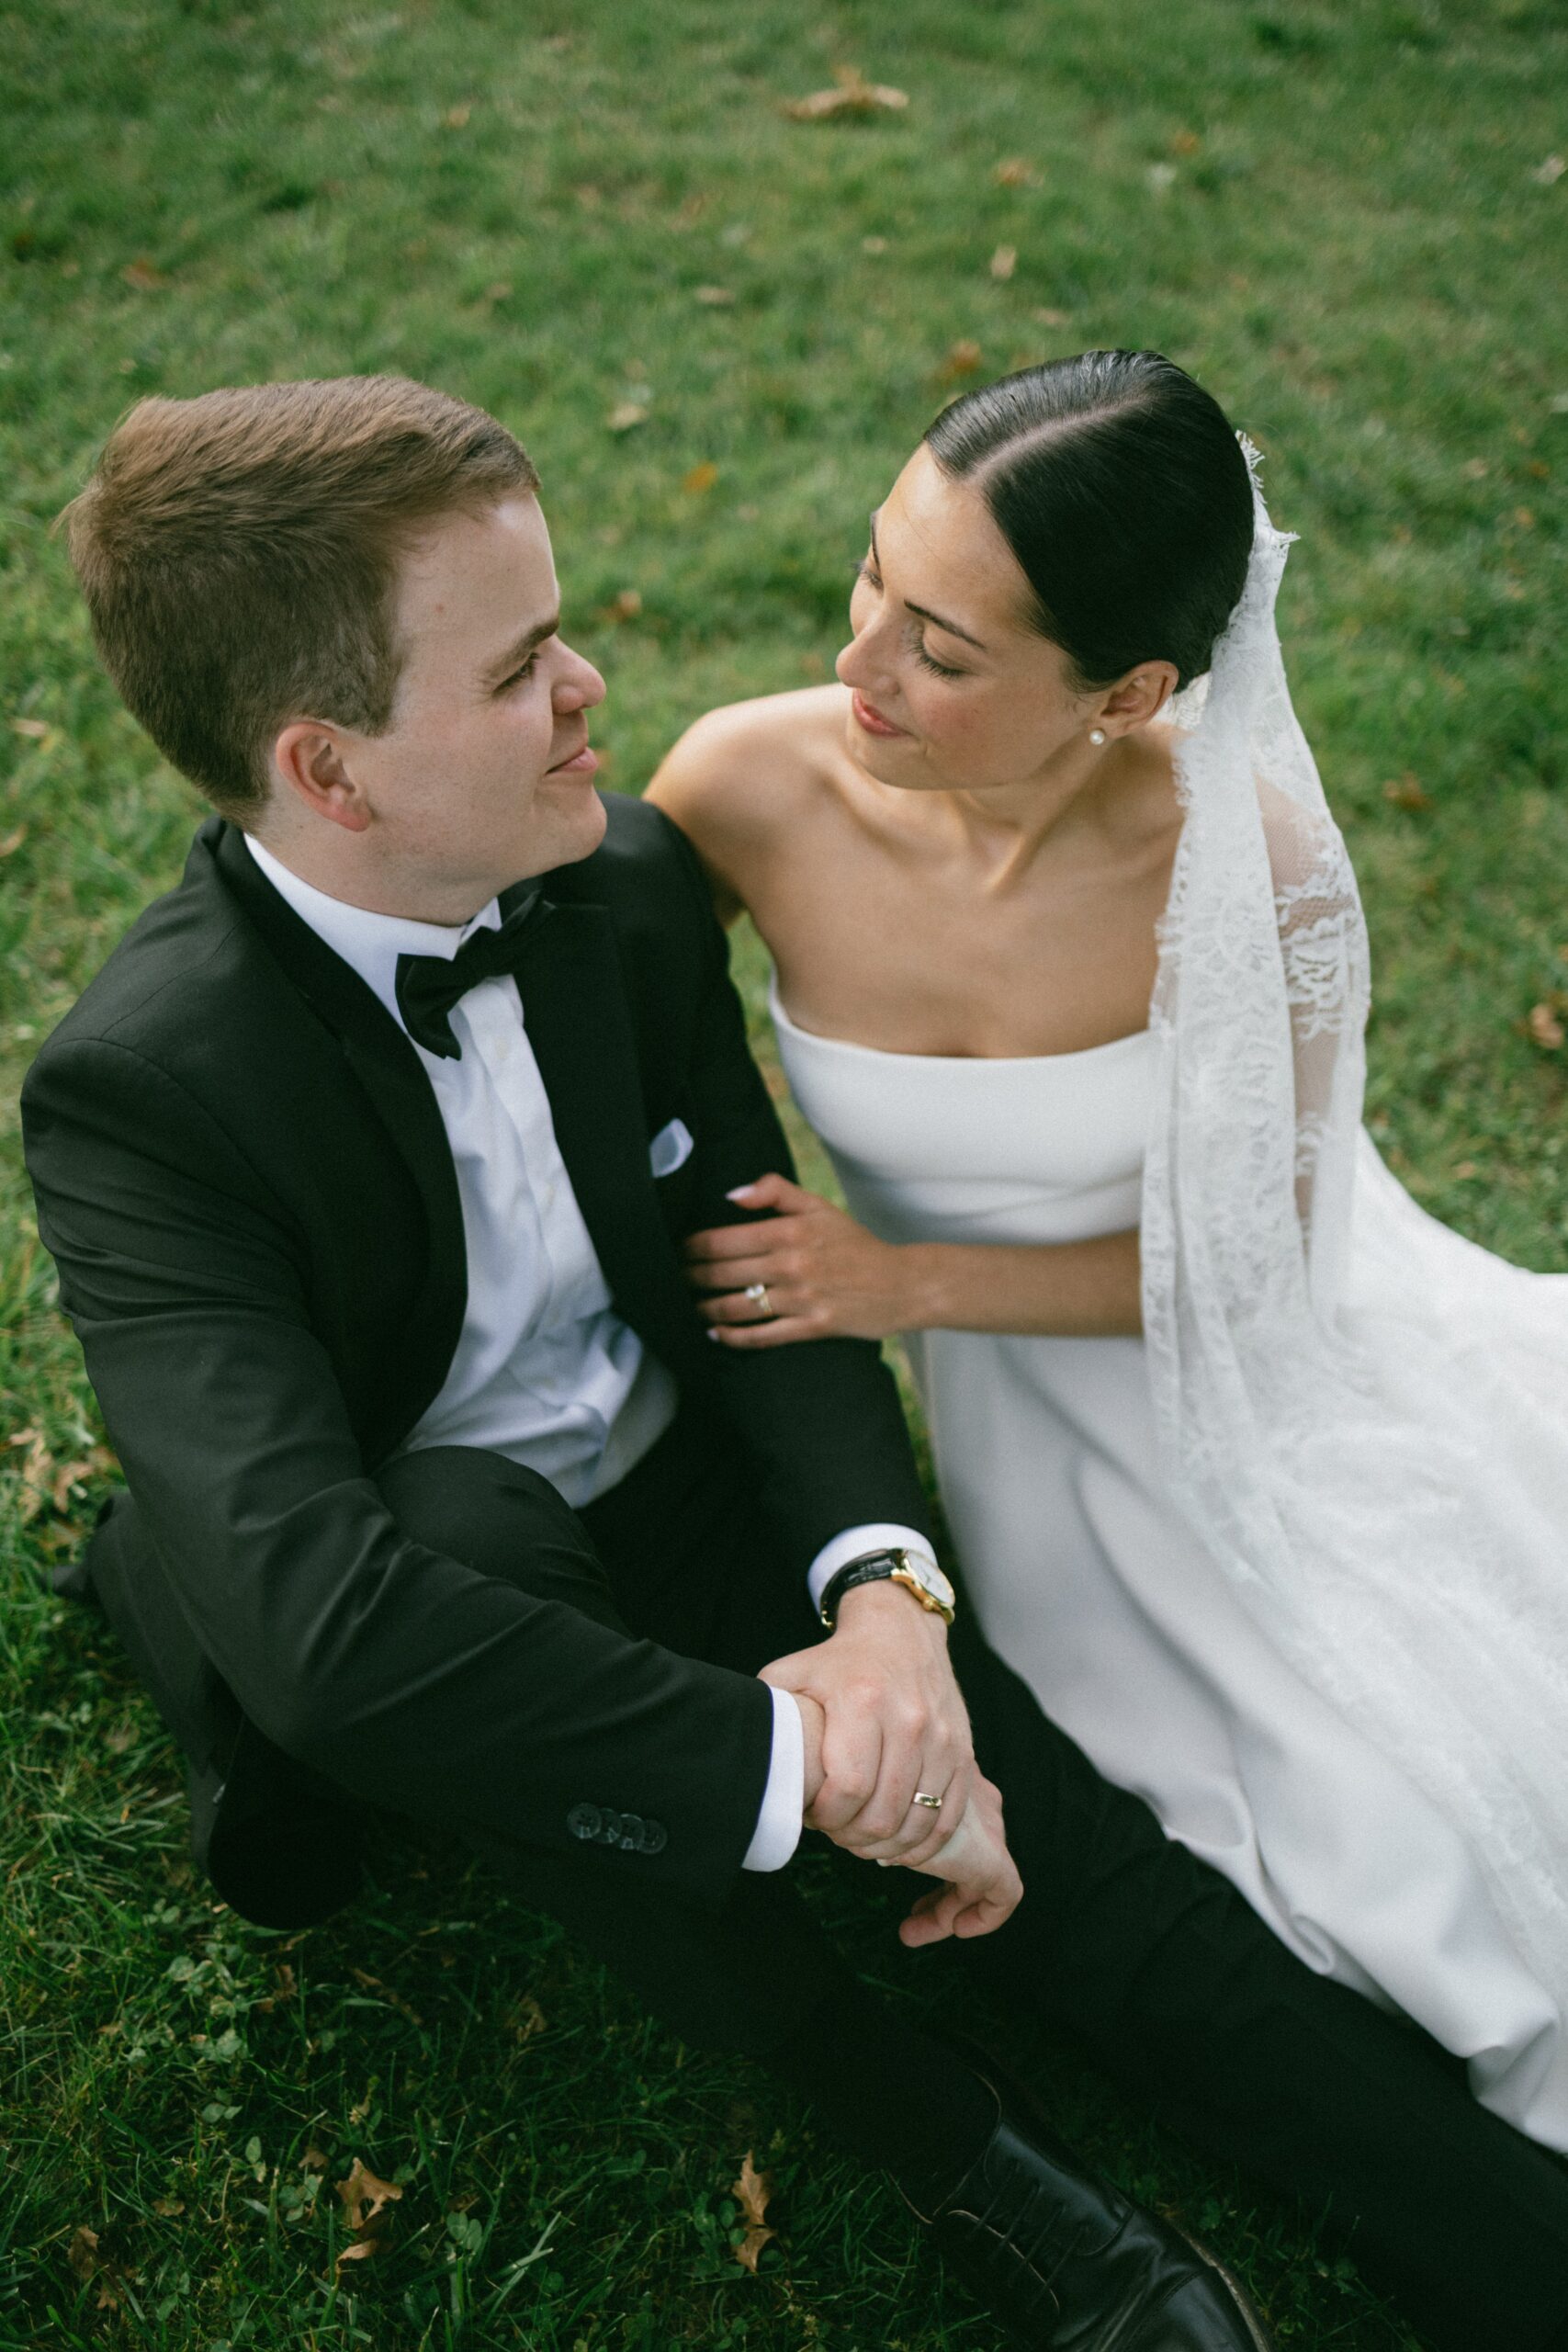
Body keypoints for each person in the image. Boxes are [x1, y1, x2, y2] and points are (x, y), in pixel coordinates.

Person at [21, 376, 1568, 2352]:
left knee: (1086, 1863)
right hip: (431, 1557)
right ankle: (968, 2158)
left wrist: (885, 1606)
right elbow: (327, 1624)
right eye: (515, 668)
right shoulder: (144, 1091)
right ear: (327, 768)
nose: (588, 685)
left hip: (690, 1482)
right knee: (489, 1563)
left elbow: (760, 1267)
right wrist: (810, 1764)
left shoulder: (621, 885)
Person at [649, 349, 1568, 2172]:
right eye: (871, 577)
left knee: (1421, 1805)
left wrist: (901, 1283)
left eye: (939, 648)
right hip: (1020, 1446)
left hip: (1242, 1370)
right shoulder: (746, 786)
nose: (856, 660)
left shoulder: (1251, 863)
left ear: (1128, 692)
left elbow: (1262, 1270)